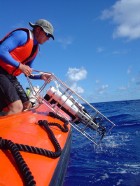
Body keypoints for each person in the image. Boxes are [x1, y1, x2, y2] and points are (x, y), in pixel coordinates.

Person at [0, 19, 54, 115]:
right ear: (38, 30)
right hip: (1, 71)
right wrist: (20, 66)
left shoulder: (35, 49)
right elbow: (1, 50)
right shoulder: (22, 35)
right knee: (17, 107)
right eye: (47, 34)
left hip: (10, 76)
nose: (48, 38)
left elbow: (29, 73)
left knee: (27, 105)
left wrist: (41, 76)